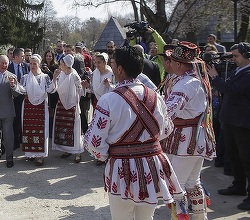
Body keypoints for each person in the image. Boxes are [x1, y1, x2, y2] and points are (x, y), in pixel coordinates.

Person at [84, 46, 184, 219]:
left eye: (113, 63)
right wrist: (145, 143)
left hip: (122, 166)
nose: (112, 67)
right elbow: (166, 129)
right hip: (151, 165)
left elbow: (93, 142)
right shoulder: (155, 96)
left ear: (120, 69)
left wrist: (106, 155)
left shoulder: (109, 100)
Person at [162, 41, 216, 219]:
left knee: (177, 185)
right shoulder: (192, 80)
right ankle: (201, 218)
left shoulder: (186, 84)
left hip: (187, 140)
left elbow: (168, 111)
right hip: (194, 138)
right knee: (192, 182)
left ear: (178, 64)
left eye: (171, 61)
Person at [207, 42, 250, 211]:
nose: (233, 59)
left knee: (246, 159)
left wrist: (215, 77)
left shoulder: (248, 74)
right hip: (231, 121)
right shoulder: (237, 70)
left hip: (242, 122)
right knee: (234, 156)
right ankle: (238, 185)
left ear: (247, 55)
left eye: (236, 56)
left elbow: (232, 90)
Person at [21, 54, 58, 166]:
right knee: (28, 129)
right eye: (31, 64)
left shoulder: (45, 77)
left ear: (39, 65)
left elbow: (51, 90)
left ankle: (41, 156)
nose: (32, 66)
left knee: (42, 130)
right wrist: (14, 85)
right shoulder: (25, 77)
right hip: (28, 107)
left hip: (41, 107)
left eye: (34, 64)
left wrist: (55, 79)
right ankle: (31, 153)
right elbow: (22, 90)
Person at [52, 54, 84, 163]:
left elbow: (81, 91)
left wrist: (81, 89)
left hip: (72, 106)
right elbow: (55, 88)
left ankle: (78, 153)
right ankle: (67, 150)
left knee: (75, 129)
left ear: (66, 64)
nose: (60, 65)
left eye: (61, 63)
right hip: (61, 104)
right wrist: (54, 78)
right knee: (62, 127)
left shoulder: (74, 75)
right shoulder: (60, 74)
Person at [7, 48, 30, 150]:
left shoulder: (27, 66)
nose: (24, 57)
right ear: (16, 57)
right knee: (15, 120)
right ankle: (15, 141)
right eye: (22, 56)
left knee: (24, 119)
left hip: (25, 97)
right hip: (13, 98)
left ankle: (23, 139)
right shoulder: (8, 67)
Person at [41, 50, 59, 137]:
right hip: (44, 91)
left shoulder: (55, 66)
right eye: (47, 56)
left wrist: (49, 71)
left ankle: (51, 131)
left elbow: (56, 78)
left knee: (52, 111)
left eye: (50, 56)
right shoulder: (41, 65)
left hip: (53, 93)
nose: (48, 57)